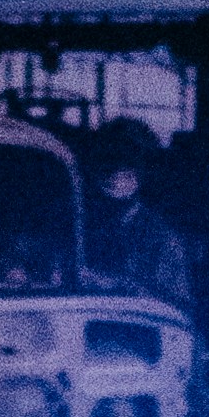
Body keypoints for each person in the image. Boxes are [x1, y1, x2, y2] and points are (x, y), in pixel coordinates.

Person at [74, 115, 194, 317]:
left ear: (143, 170)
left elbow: (179, 310)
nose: (116, 173)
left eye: (127, 163)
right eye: (109, 161)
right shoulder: (81, 225)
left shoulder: (162, 238)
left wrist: (121, 288)